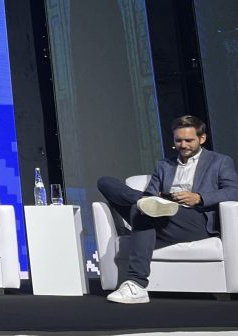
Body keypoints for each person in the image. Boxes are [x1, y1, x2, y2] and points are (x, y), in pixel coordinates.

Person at [97, 115, 238, 304]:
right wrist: (154, 198)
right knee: (106, 182)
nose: (183, 145)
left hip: (195, 219)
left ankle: (137, 284)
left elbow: (233, 191)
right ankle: (145, 202)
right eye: (178, 140)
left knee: (142, 210)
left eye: (189, 140)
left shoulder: (219, 161)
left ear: (202, 138)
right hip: (160, 213)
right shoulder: (164, 165)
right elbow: (151, 192)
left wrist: (199, 197)